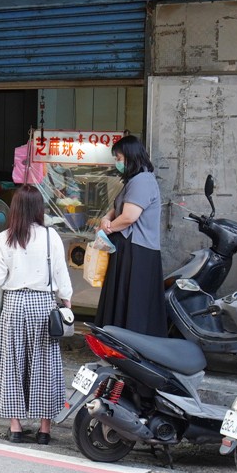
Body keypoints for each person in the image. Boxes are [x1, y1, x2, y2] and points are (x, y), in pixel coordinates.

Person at [0, 185, 72, 444]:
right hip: (43, 305)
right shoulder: (50, 236)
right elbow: (60, 273)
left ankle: (15, 427)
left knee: (12, 364)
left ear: (13, 209)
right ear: (39, 208)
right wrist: (67, 303)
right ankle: (44, 430)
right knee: (45, 365)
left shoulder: (4, 238)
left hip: (14, 304)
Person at [96, 135, 165, 336]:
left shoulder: (142, 180)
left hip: (137, 251)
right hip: (130, 248)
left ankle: (128, 342)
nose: (117, 162)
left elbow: (128, 217)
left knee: (131, 302)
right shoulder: (134, 181)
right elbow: (117, 208)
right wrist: (106, 218)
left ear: (130, 156)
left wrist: (107, 228)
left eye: (118, 158)